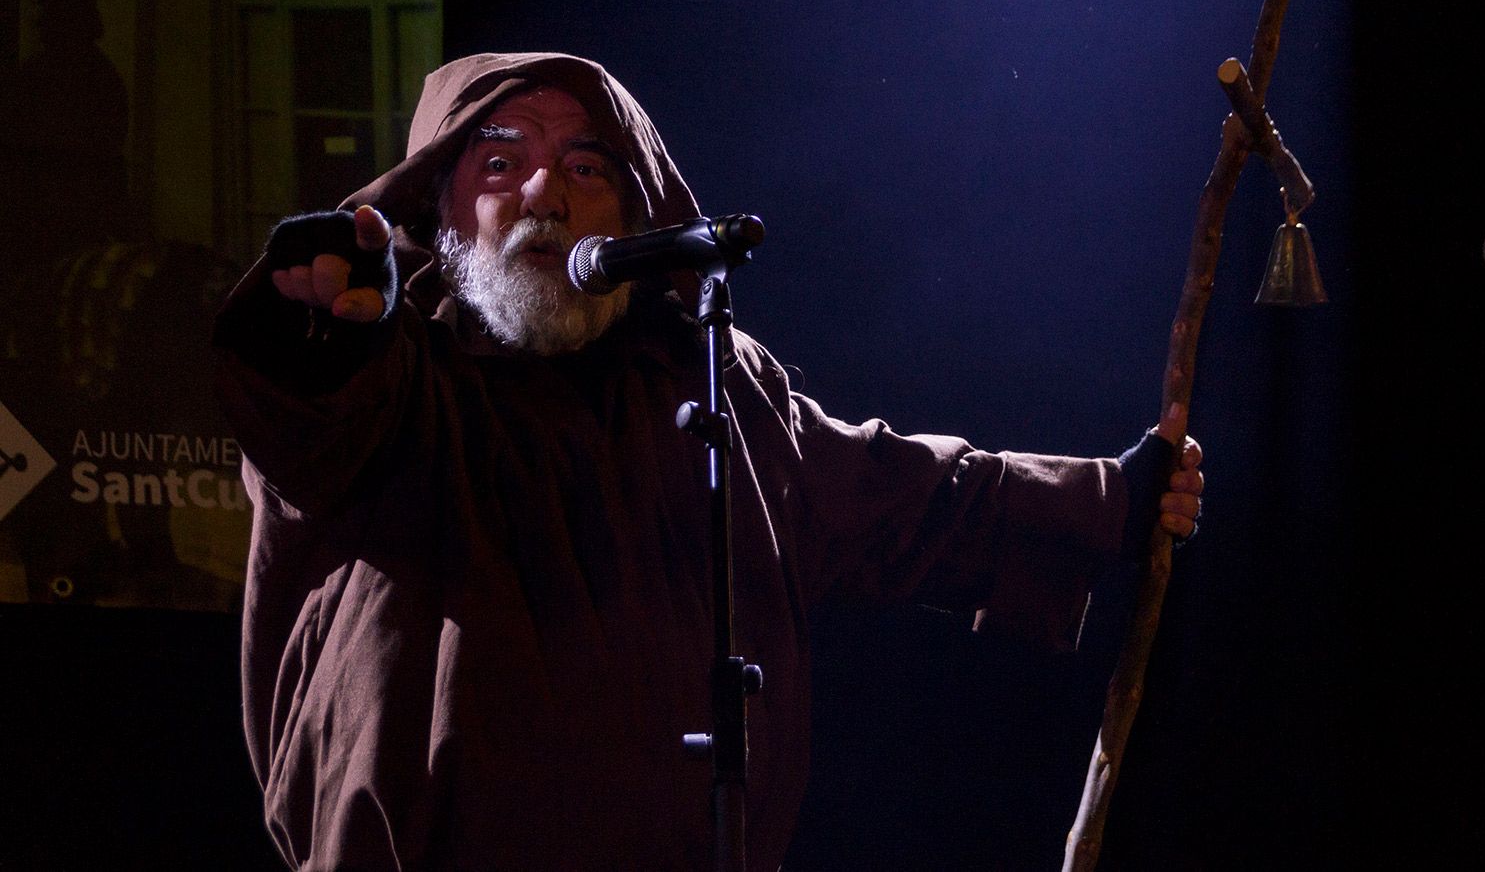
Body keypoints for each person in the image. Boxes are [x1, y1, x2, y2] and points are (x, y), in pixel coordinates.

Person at [213, 52, 1203, 871]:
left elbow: (894, 494)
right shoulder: (403, 381)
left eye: (587, 167)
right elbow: (310, 415)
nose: (544, 192)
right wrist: (321, 326)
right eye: (499, 162)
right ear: (441, 202)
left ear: (637, 214)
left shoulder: (705, 384)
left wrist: (1111, 498)